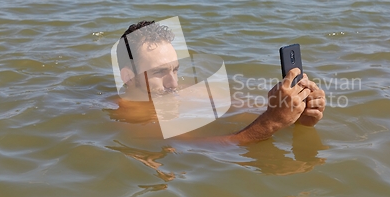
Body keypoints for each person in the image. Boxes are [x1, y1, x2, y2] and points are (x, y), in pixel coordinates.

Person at [114, 20, 326, 144]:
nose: (173, 83)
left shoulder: (185, 91)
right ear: (128, 77)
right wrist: (273, 122)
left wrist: (296, 112)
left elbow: (249, 111)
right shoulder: (130, 118)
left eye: (175, 70)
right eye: (159, 72)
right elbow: (198, 151)